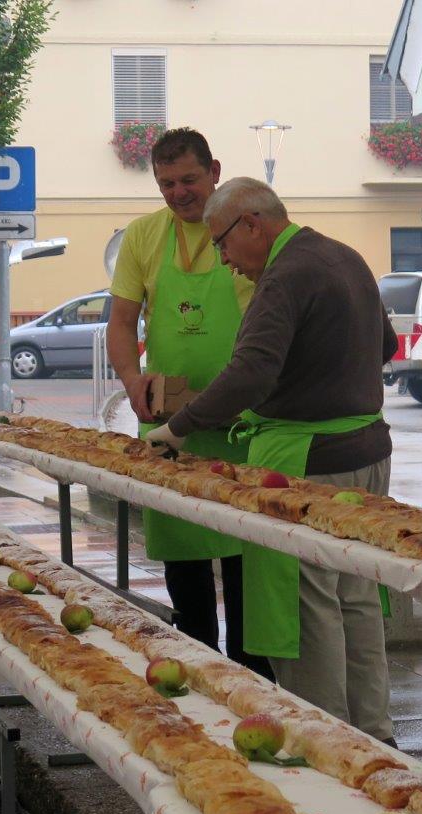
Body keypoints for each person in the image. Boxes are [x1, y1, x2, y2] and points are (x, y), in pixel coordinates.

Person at [145, 178, 399, 742]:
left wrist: (178, 428)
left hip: (307, 462)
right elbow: (386, 345)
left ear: (252, 225)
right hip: (368, 452)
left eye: (222, 243)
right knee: (356, 596)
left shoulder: (284, 275)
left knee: (308, 606)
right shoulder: (345, 256)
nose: (224, 260)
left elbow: (251, 372)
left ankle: (325, 742)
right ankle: (375, 734)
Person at [106, 128, 272, 679]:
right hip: (169, 429)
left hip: (241, 427)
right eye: (166, 183)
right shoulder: (143, 236)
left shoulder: (245, 230)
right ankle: (197, 677)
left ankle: (253, 681)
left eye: (189, 179)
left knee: (247, 564)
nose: (178, 193)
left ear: (215, 171)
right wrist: (131, 379)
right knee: (185, 570)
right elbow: (122, 322)